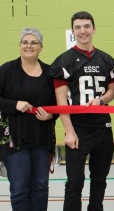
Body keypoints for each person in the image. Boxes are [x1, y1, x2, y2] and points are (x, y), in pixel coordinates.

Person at [50, 11, 114, 211]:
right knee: (75, 181)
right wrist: (68, 130)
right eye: (78, 27)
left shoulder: (106, 59)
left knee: (99, 179)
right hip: (78, 128)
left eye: (87, 26)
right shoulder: (64, 60)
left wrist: (102, 100)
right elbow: (61, 99)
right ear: (73, 31)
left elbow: (112, 90)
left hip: (103, 127)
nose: (83, 31)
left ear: (94, 29)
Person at [0, 28, 57, 211]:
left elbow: (59, 103)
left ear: (41, 47)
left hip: (42, 139)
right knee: (19, 189)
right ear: (19, 46)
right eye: (25, 42)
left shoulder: (50, 72)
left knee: (40, 187)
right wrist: (14, 104)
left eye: (34, 42)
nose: (29, 46)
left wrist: (51, 115)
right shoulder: (7, 70)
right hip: (15, 140)